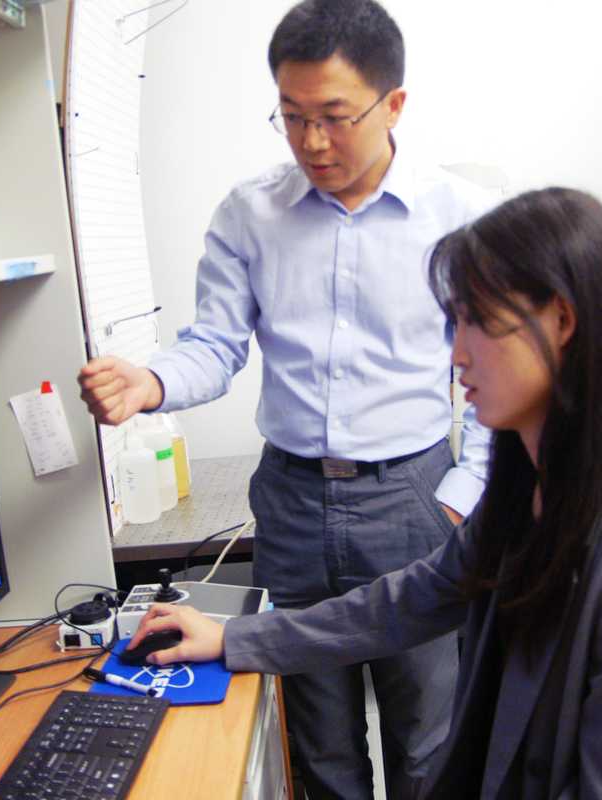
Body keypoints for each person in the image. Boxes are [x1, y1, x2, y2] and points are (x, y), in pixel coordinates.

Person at [127, 188, 602, 799]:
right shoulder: (538, 488)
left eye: (476, 322)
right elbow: (409, 599)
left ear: (562, 320)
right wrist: (236, 640)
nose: (455, 353)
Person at [78, 2, 493, 796]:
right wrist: (152, 383)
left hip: (413, 497)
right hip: (294, 503)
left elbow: (494, 379)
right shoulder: (251, 212)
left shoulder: (460, 219)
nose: (311, 142)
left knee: (427, 744)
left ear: (393, 104)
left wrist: (459, 497)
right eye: (292, 116)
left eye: (334, 117)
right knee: (319, 747)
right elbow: (215, 346)